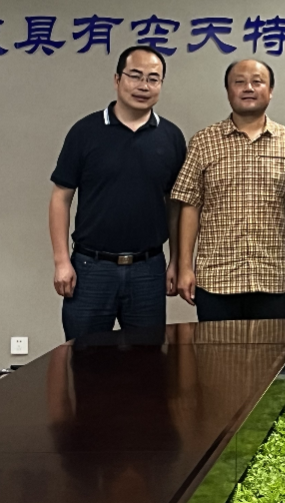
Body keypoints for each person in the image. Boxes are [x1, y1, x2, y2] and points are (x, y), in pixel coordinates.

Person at [49, 45, 187, 341]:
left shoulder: (171, 137)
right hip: (91, 268)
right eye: (135, 76)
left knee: (146, 360)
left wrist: (177, 260)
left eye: (153, 79)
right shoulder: (85, 132)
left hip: (148, 270)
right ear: (117, 79)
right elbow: (61, 197)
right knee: (84, 358)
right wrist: (61, 261)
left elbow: (175, 206)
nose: (143, 86)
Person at [170, 59, 285, 321]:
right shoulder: (204, 141)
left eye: (257, 82)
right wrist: (185, 267)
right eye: (239, 82)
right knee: (214, 349)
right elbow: (190, 206)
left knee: (270, 349)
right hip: (215, 279)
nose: (248, 88)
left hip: (271, 277)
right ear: (228, 90)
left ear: (270, 90)